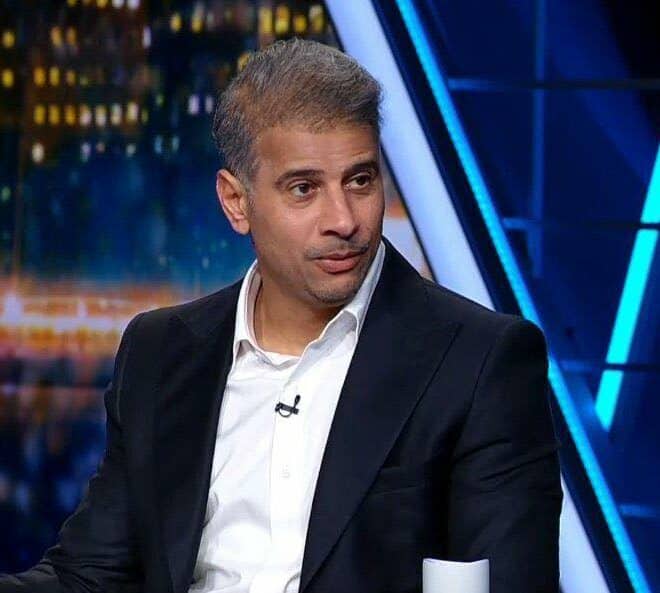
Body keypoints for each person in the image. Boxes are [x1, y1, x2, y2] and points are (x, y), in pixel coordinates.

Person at [0, 38, 561, 593]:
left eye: (360, 180)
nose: (343, 219)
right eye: (303, 189)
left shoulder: (480, 361)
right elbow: (88, 576)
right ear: (236, 202)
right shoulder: (160, 350)